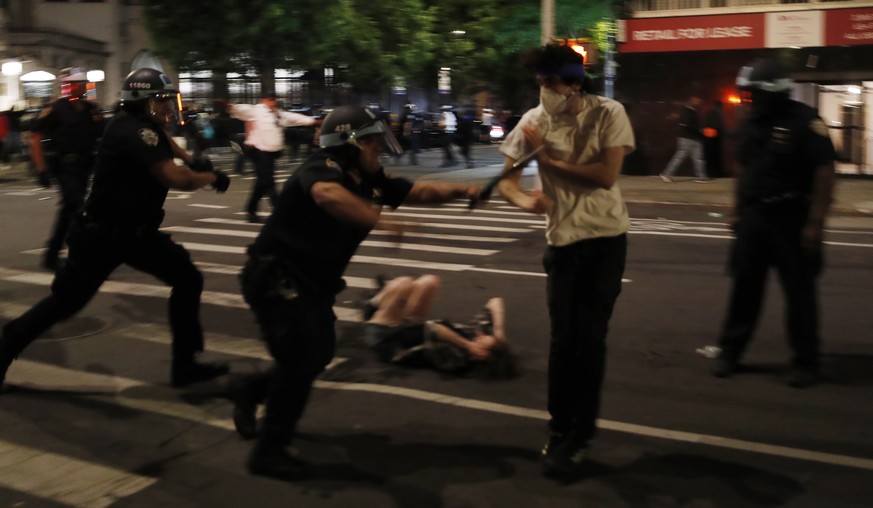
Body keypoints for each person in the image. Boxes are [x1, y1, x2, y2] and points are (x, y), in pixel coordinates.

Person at [232, 105, 480, 481]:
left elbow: (419, 190)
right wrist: (379, 219)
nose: (378, 149)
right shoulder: (324, 168)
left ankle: (250, 390)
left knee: (316, 356)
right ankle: (269, 451)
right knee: (302, 361)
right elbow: (327, 195)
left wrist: (463, 189)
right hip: (276, 280)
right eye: (371, 142)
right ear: (349, 143)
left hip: (311, 284)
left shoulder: (369, 177)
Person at [0, 67, 232, 393]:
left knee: (187, 278)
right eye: (159, 101)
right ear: (141, 100)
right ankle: (7, 344)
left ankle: (186, 365)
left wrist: (190, 158)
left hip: (133, 233)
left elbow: (163, 141)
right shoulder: (134, 130)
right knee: (66, 303)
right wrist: (210, 178)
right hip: (103, 236)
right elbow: (175, 179)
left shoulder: (136, 124)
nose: (165, 107)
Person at [494, 43, 635, 478]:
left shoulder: (609, 112)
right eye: (539, 82)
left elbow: (605, 175)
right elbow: (507, 180)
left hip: (607, 238)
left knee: (590, 340)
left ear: (574, 82)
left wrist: (549, 158)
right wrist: (523, 201)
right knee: (562, 340)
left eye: (552, 82)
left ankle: (580, 434)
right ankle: (559, 427)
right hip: (563, 241)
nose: (545, 90)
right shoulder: (532, 122)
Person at [711, 58, 835, 389]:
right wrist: (737, 209)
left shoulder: (806, 122)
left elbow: (824, 173)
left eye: (753, 94)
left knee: (799, 295)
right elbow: (742, 167)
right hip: (755, 219)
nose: (749, 100)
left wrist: (816, 224)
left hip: (792, 220)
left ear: (773, 92)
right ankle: (730, 352)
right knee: (744, 289)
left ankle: (806, 362)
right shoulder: (753, 123)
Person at [29, 68, 106, 271]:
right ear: (68, 86)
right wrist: (41, 168)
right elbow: (36, 137)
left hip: (85, 166)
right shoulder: (56, 109)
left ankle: (56, 254)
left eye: (82, 84)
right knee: (74, 205)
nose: (79, 87)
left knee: (71, 210)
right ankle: (70, 254)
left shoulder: (92, 110)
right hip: (64, 166)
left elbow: (104, 136)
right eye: (75, 84)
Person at [361, 274, 512, 376]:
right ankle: (385, 296)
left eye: (482, 341)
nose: (480, 335)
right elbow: (495, 302)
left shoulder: (458, 359)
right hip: (408, 327)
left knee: (404, 283)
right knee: (430, 281)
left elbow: (433, 328)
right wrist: (499, 333)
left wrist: (467, 345)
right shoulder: (473, 338)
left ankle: (373, 304)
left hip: (385, 337)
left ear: (482, 355)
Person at [228, 91, 315, 223]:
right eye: (270, 99)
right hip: (258, 151)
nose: (273, 102)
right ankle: (279, 211)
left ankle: (251, 210)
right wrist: (228, 106)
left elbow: (293, 117)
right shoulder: (255, 111)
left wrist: (313, 121)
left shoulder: (277, 113)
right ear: (264, 100)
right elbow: (239, 110)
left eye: (274, 99)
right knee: (269, 182)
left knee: (262, 182)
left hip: (271, 154)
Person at [660, 95, 710, 183]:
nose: (699, 103)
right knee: (682, 157)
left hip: (692, 138)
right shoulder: (687, 111)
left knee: (696, 158)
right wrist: (700, 130)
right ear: (691, 102)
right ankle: (666, 174)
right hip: (687, 138)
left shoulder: (691, 111)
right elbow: (686, 125)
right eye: (697, 101)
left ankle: (702, 177)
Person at [703, 100, 724, 178]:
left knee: (710, 157)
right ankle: (714, 173)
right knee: (713, 157)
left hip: (709, 139)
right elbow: (716, 126)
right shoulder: (715, 114)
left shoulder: (711, 113)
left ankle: (710, 173)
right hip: (713, 139)